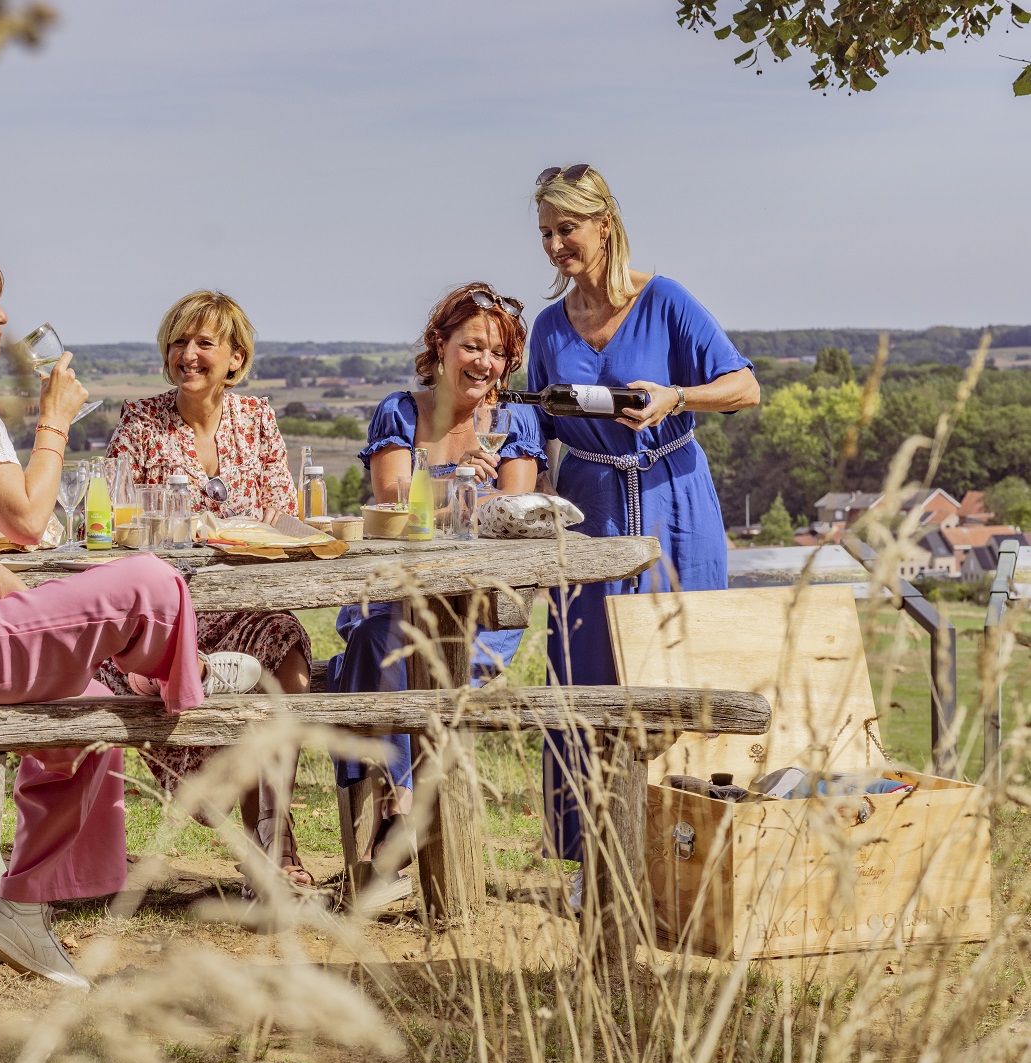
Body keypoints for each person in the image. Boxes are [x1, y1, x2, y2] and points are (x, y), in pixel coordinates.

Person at [0, 242, 262, 987]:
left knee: (92, 714)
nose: (3, 318)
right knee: (150, 581)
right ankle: (182, 671)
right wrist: (54, 420)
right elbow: (30, 520)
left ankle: (22, 906)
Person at [526, 165, 759, 901]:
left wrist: (676, 397)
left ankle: (687, 853)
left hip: (673, 499)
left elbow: (744, 386)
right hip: (588, 505)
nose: (554, 245)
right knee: (585, 672)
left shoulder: (665, 299)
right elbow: (533, 427)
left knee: (682, 670)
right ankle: (591, 862)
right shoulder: (548, 327)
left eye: (566, 229)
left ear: (604, 224)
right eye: (545, 233)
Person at [327, 282, 545, 903]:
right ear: (440, 346)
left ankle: (389, 842)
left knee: (384, 662)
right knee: (378, 640)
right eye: (472, 346)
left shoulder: (515, 421)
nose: (484, 362)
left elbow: (512, 513)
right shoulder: (400, 412)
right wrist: (458, 484)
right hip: (399, 595)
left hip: (483, 608)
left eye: (498, 352)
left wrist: (452, 497)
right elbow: (391, 501)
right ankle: (399, 812)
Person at [104, 290, 317, 896]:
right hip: (166, 613)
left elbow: (284, 513)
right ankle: (196, 683)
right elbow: (115, 516)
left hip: (243, 602)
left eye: (204, 343)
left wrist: (269, 524)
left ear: (235, 358)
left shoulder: (257, 418)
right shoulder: (141, 421)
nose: (188, 354)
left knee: (287, 645)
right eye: (179, 342)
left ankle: (274, 845)